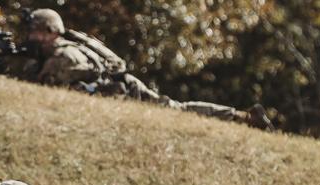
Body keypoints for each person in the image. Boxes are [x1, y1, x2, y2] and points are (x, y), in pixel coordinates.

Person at [22, 9, 274, 131]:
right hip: (121, 86)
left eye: (36, 31)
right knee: (175, 108)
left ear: (51, 31)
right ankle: (241, 117)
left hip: (122, 91)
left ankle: (241, 118)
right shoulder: (64, 48)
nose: (32, 36)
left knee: (176, 110)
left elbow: (44, 86)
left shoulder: (63, 53)